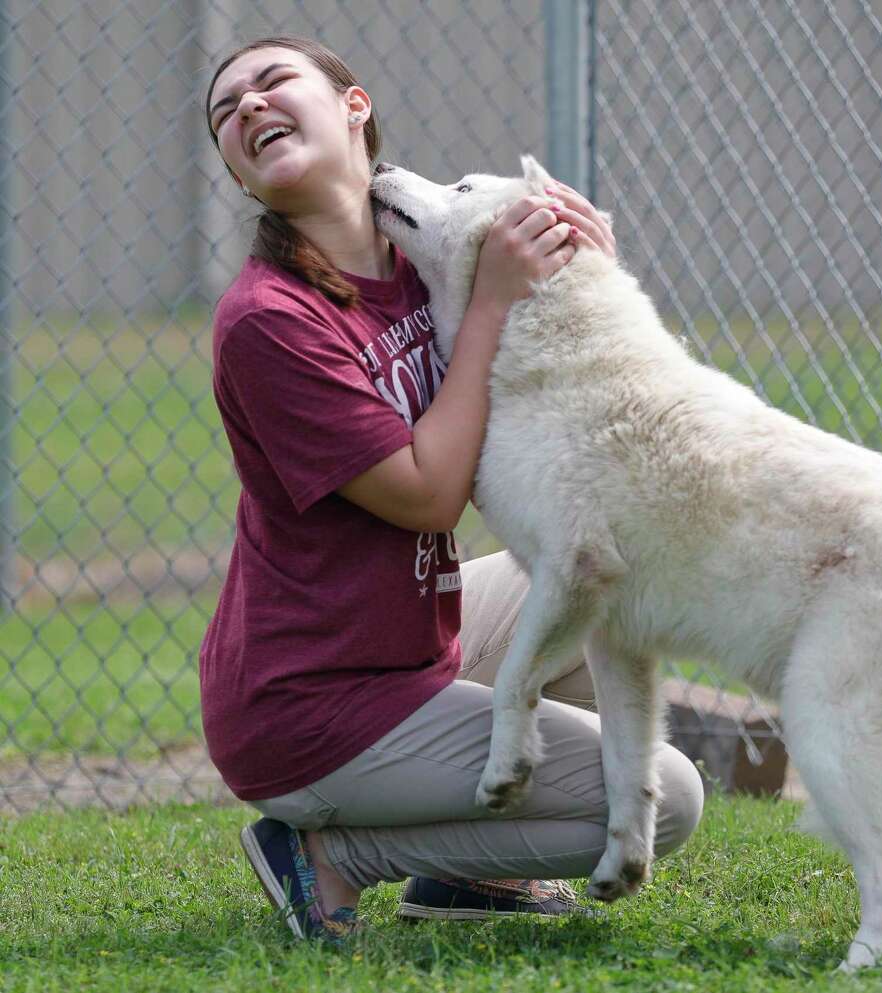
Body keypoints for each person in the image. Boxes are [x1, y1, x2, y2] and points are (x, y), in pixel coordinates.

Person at [199, 35, 704, 942]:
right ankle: (327, 858)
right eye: (226, 111)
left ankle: (481, 875)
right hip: (310, 700)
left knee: (600, 577)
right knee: (665, 798)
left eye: (273, 80)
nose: (247, 106)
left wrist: (576, 270)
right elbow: (432, 496)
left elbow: (538, 424)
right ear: (241, 175)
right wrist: (494, 305)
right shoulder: (266, 320)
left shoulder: (416, 263)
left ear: (354, 107)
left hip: (405, 636)